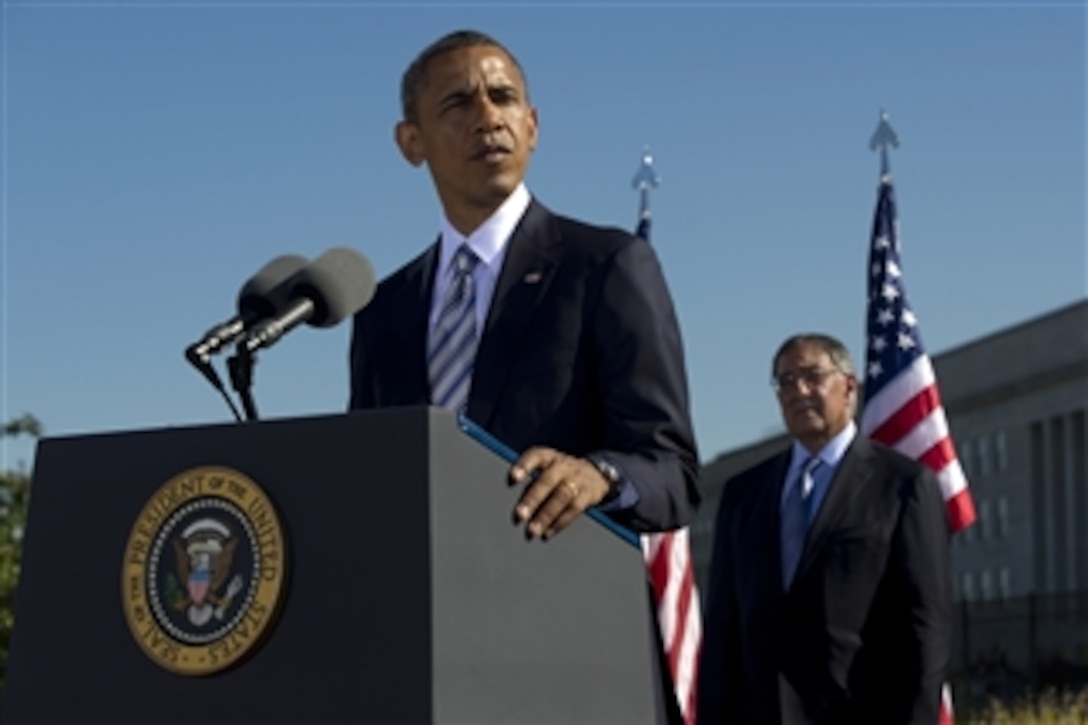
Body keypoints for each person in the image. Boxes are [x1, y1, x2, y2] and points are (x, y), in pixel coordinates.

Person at [348, 29, 699, 544]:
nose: (488, 118)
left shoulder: (607, 265)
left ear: (531, 126)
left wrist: (599, 476)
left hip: (560, 604)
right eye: (459, 103)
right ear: (411, 143)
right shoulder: (383, 308)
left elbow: (672, 473)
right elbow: (368, 478)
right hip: (424, 609)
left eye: (504, 98)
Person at [697, 334, 953, 724]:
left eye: (812, 376)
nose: (798, 390)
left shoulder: (902, 485)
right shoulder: (743, 494)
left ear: (849, 387)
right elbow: (722, 629)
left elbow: (926, 624)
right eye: (784, 381)